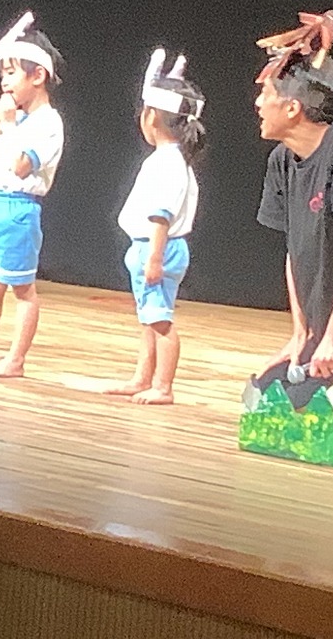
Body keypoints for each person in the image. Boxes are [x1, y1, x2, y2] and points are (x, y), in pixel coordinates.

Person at [252, 10, 333, 406]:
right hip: (323, 339)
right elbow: (295, 249)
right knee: (262, 394)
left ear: (292, 108)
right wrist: (301, 335)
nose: (258, 103)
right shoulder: (282, 161)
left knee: (309, 407)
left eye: (266, 94)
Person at [0, 11, 65, 378]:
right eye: (2, 74)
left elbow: (22, 166)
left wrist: (8, 125)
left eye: (11, 73)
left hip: (17, 208)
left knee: (22, 288)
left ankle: (16, 359)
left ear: (37, 76)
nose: (4, 82)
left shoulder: (48, 123)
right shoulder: (13, 118)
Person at [104, 49, 205, 405]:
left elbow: (161, 215)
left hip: (157, 248)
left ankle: (163, 385)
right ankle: (142, 377)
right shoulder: (168, 160)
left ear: (152, 117)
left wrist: (155, 258)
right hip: (149, 247)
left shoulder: (168, 163)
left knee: (160, 320)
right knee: (149, 318)